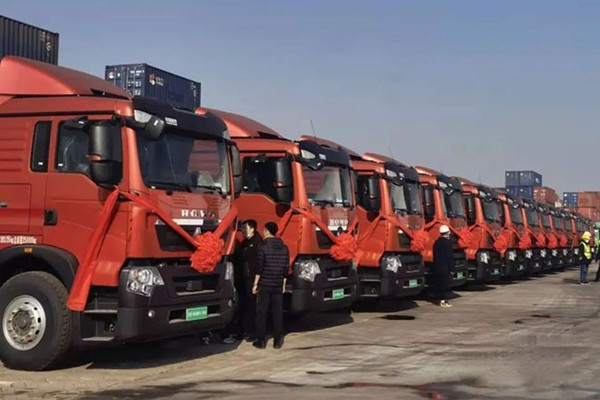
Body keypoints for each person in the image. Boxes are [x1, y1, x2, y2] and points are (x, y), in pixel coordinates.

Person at [252, 222, 289, 349]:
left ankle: (260, 341)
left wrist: (255, 284)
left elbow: (259, 267)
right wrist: (284, 284)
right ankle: (277, 341)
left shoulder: (263, 247)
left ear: (267, 231)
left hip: (265, 284)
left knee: (262, 312)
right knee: (278, 313)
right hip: (278, 283)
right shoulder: (284, 248)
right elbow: (286, 268)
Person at [236, 220, 263, 339]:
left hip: (253, 278)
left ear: (252, 228)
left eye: (244, 228)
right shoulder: (245, 242)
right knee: (245, 305)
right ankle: (244, 330)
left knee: (253, 306)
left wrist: (256, 281)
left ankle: (254, 332)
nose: (242, 230)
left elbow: (258, 263)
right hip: (244, 277)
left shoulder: (257, 242)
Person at [433, 225, 455, 308]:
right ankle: (443, 301)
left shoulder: (436, 243)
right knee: (444, 285)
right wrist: (452, 269)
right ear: (447, 233)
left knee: (438, 284)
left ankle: (439, 300)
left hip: (437, 267)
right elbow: (449, 257)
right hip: (445, 267)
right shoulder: (447, 243)